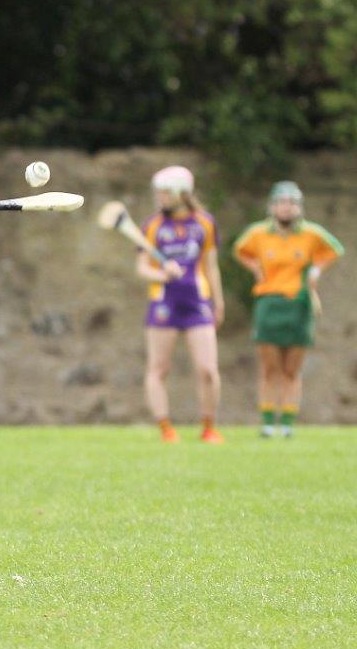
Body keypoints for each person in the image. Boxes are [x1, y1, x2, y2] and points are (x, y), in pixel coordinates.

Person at [233, 181, 344, 438]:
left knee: (291, 369)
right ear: (272, 207)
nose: (286, 208)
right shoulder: (258, 233)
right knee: (269, 368)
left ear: (299, 208)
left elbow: (335, 250)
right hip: (269, 302)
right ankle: (268, 423)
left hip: (299, 303)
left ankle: (288, 425)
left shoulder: (311, 234)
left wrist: (316, 270)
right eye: (282, 202)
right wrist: (255, 269)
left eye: (292, 203)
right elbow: (241, 251)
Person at [136, 166, 225, 444]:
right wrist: (162, 274)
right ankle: (166, 429)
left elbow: (211, 265)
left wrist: (217, 301)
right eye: (158, 192)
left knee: (208, 370)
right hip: (163, 303)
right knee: (158, 369)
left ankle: (208, 427)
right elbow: (141, 268)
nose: (159, 198)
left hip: (197, 302)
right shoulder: (152, 226)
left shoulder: (204, 224)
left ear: (181, 193)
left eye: (164, 192)